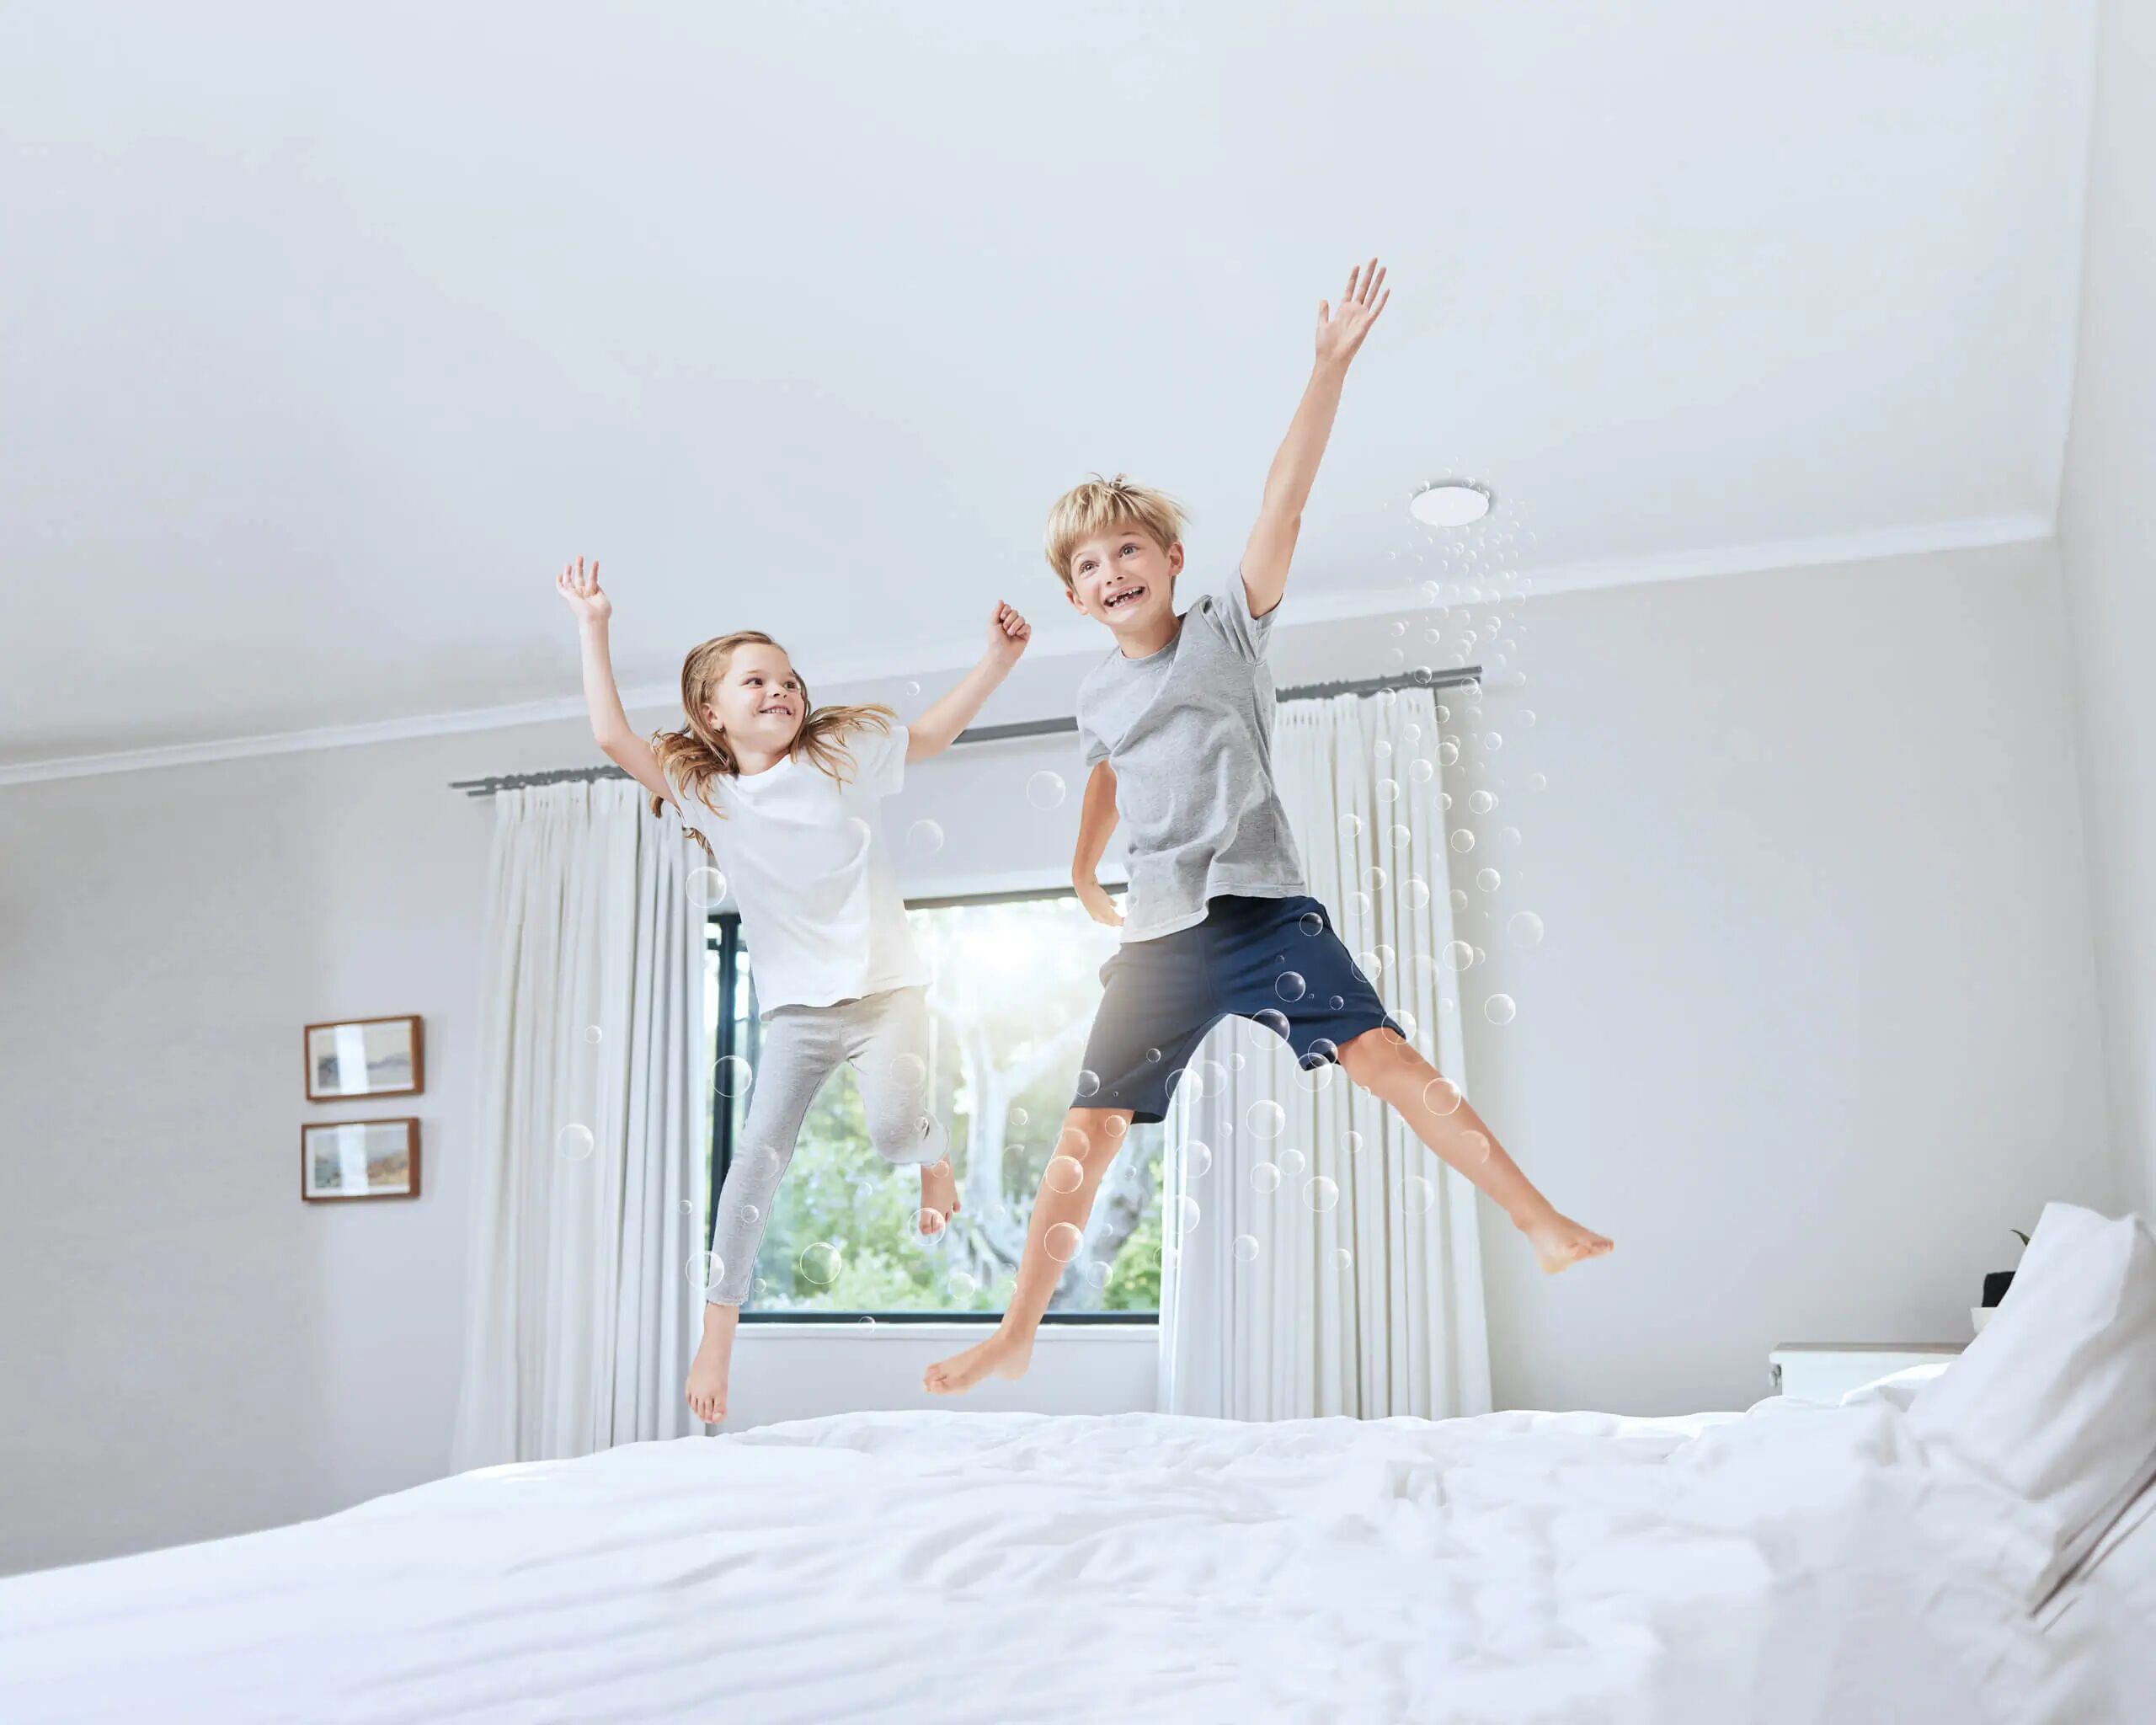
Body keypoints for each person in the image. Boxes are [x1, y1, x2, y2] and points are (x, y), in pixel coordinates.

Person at [925, 259, 1609, 1397]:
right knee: (1088, 1131)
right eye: (1088, 565)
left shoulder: (1227, 633)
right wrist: (1084, 868)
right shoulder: (1096, 692)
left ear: (1171, 559)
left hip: (1262, 912)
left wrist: (1327, 364)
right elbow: (1106, 771)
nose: (1112, 571)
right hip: (1157, 940)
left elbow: (1282, 501)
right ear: (1074, 593)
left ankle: (1539, 1222)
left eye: (1129, 549)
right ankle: (1016, 1329)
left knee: (1387, 1055)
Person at [556, 558, 1032, 1422]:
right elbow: (613, 739)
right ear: (711, 711)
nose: (780, 688)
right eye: (756, 680)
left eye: (787, 677)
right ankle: (717, 1333)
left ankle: (933, 1157)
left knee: (893, 1132)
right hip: (797, 1014)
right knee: (753, 1165)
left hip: (888, 991)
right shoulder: (705, 793)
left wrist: (994, 663)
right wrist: (594, 624)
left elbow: (926, 736)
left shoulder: (839, 756)